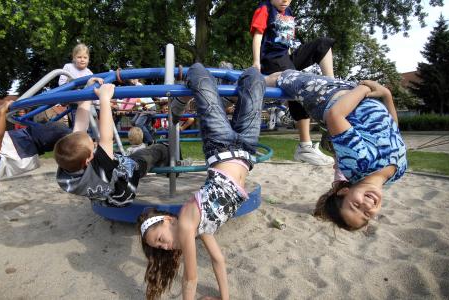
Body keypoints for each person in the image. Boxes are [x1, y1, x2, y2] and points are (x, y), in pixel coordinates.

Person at [138, 63, 265, 300]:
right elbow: (218, 259)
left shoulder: (187, 223)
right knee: (255, 79)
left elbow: (191, 277)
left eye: (159, 240)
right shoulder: (200, 227)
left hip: (220, 146)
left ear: (167, 220)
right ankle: (238, 83)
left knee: (200, 78)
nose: (164, 247)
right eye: (159, 248)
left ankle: (180, 101)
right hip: (246, 151)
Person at [266, 70, 407, 231]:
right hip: (351, 92)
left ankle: (235, 96)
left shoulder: (358, 164)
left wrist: (364, 88)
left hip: (326, 96)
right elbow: (393, 130)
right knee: (281, 74)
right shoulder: (397, 173)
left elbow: (335, 116)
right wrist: (387, 95)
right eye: (367, 214)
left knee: (281, 77)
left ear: (344, 191)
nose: (366, 206)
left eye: (355, 206)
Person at [53, 80, 170, 207]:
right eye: (92, 144)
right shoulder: (101, 166)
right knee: (156, 150)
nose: (94, 142)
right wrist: (104, 98)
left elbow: (80, 125)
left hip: (106, 192)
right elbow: (106, 138)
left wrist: (87, 91)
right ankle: (168, 156)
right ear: (89, 159)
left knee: (120, 157)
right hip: (126, 182)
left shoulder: (68, 170)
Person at [251, 0, 335, 166]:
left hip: (285, 58)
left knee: (322, 43)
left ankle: (331, 90)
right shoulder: (265, 8)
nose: (285, 0)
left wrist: (292, 63)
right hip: (270, 60)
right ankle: (305, 147)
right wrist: (256, 63)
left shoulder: (288, 12)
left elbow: (286, 42)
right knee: (297, 84)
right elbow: (258, 35)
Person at [0, 101, 71, 202]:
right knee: (68, 132)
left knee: (66, 131)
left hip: (33, 138)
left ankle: (78, 117)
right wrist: (2, 113)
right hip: (36, 139)